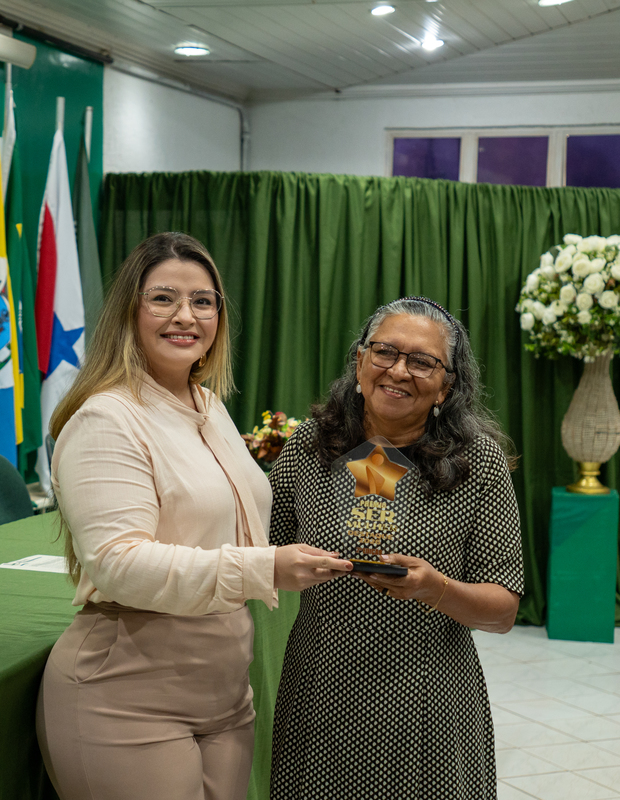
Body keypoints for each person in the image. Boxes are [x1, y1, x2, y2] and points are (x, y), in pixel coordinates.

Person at [35, 232, 352, 800]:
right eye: (163, 299)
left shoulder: (207, 404)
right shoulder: (107, 418)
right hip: (127, 697)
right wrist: (264, 568)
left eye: (203, 301)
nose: (186, 316)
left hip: (226, 695)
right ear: (128, 311)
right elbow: (118, 565)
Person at [268, 296, 524, 799]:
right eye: (385, 351)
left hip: (427, 705)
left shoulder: (478, 463)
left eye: (422, 361)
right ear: (360, 361)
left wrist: (435, 589)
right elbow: (259, 552)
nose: (399, 370)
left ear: (446, 386)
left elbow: (503, 610)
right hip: (320, 694)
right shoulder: (311, 445)